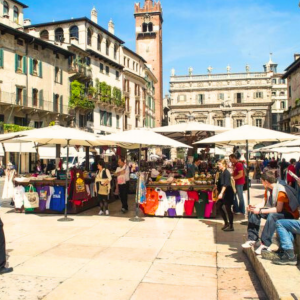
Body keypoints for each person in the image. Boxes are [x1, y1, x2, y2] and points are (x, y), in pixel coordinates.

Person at [242, 171, 299, 255]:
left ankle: (265, 244)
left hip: (290, 213)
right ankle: (252, 238)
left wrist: (261, 211)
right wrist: (255, 207)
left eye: (262, 181)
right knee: (254, 212)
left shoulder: (281, 191)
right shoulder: (268, 189)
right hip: (280, 211)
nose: (261, 182)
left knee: (272, 216)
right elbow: (263, 203)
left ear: (266, 181)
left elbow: (278, 209)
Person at [215, 159, 235, 231]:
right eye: (218, 164)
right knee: (218, 206)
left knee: (228, 209)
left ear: (224, 165)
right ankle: (226, 223)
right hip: (223, 193)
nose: (218, 166)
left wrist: (221, 193)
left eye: (219, 164)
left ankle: (231, 226)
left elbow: (226, 184)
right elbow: (220, 182)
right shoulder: (221, 172)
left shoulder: (226, 173)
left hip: (227, 193)